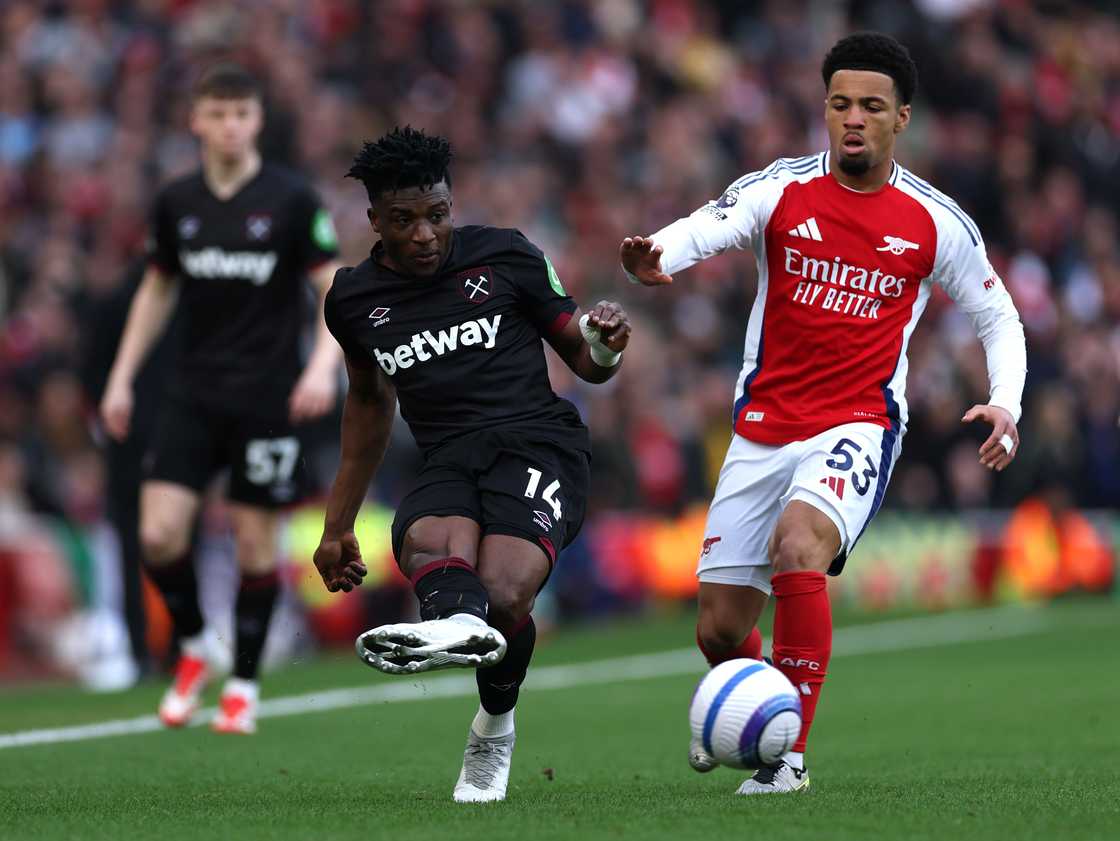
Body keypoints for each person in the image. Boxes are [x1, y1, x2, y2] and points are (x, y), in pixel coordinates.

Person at [620, 32, 1026, 794]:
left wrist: (1006, 401)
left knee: (798, 543)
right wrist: (660, 256)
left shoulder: (934, 221)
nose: (853, 119)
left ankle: (786, 757)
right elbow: (714, 222)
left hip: (857, 421)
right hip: (764, 423)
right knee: (717, 625)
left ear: (901, 117)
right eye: (840, 103)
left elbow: (997, 315)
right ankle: (744, 707)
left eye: (871, 107)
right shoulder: (783, 188)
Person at [312, 126, 631, 803]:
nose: (425, 233)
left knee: (508, 590)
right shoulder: (353, 300)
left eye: (437, 213)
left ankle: (493, 725)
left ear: (452, 204)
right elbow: (369, 409)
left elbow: (585, 359)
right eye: (403, 220)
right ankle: (458, 622)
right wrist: (336, 524)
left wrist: (604, 347)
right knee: (427, 539)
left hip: (537, 442)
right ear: (374, 221)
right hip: (449, 456)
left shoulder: (507, 255)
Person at [100, 64, 343, 734]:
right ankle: (194, 643)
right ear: (196, 121)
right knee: (156, 534)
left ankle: (242, 683)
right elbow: (157, 289)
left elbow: (335, 293)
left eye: (242, 112)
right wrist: (122, 375)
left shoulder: (293, 200)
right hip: (191, 391)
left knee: (254, 544)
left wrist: (322, 366)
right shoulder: (177, 202)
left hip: (268, 398)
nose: (231, 125)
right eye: (219, 113)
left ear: (258, 119)